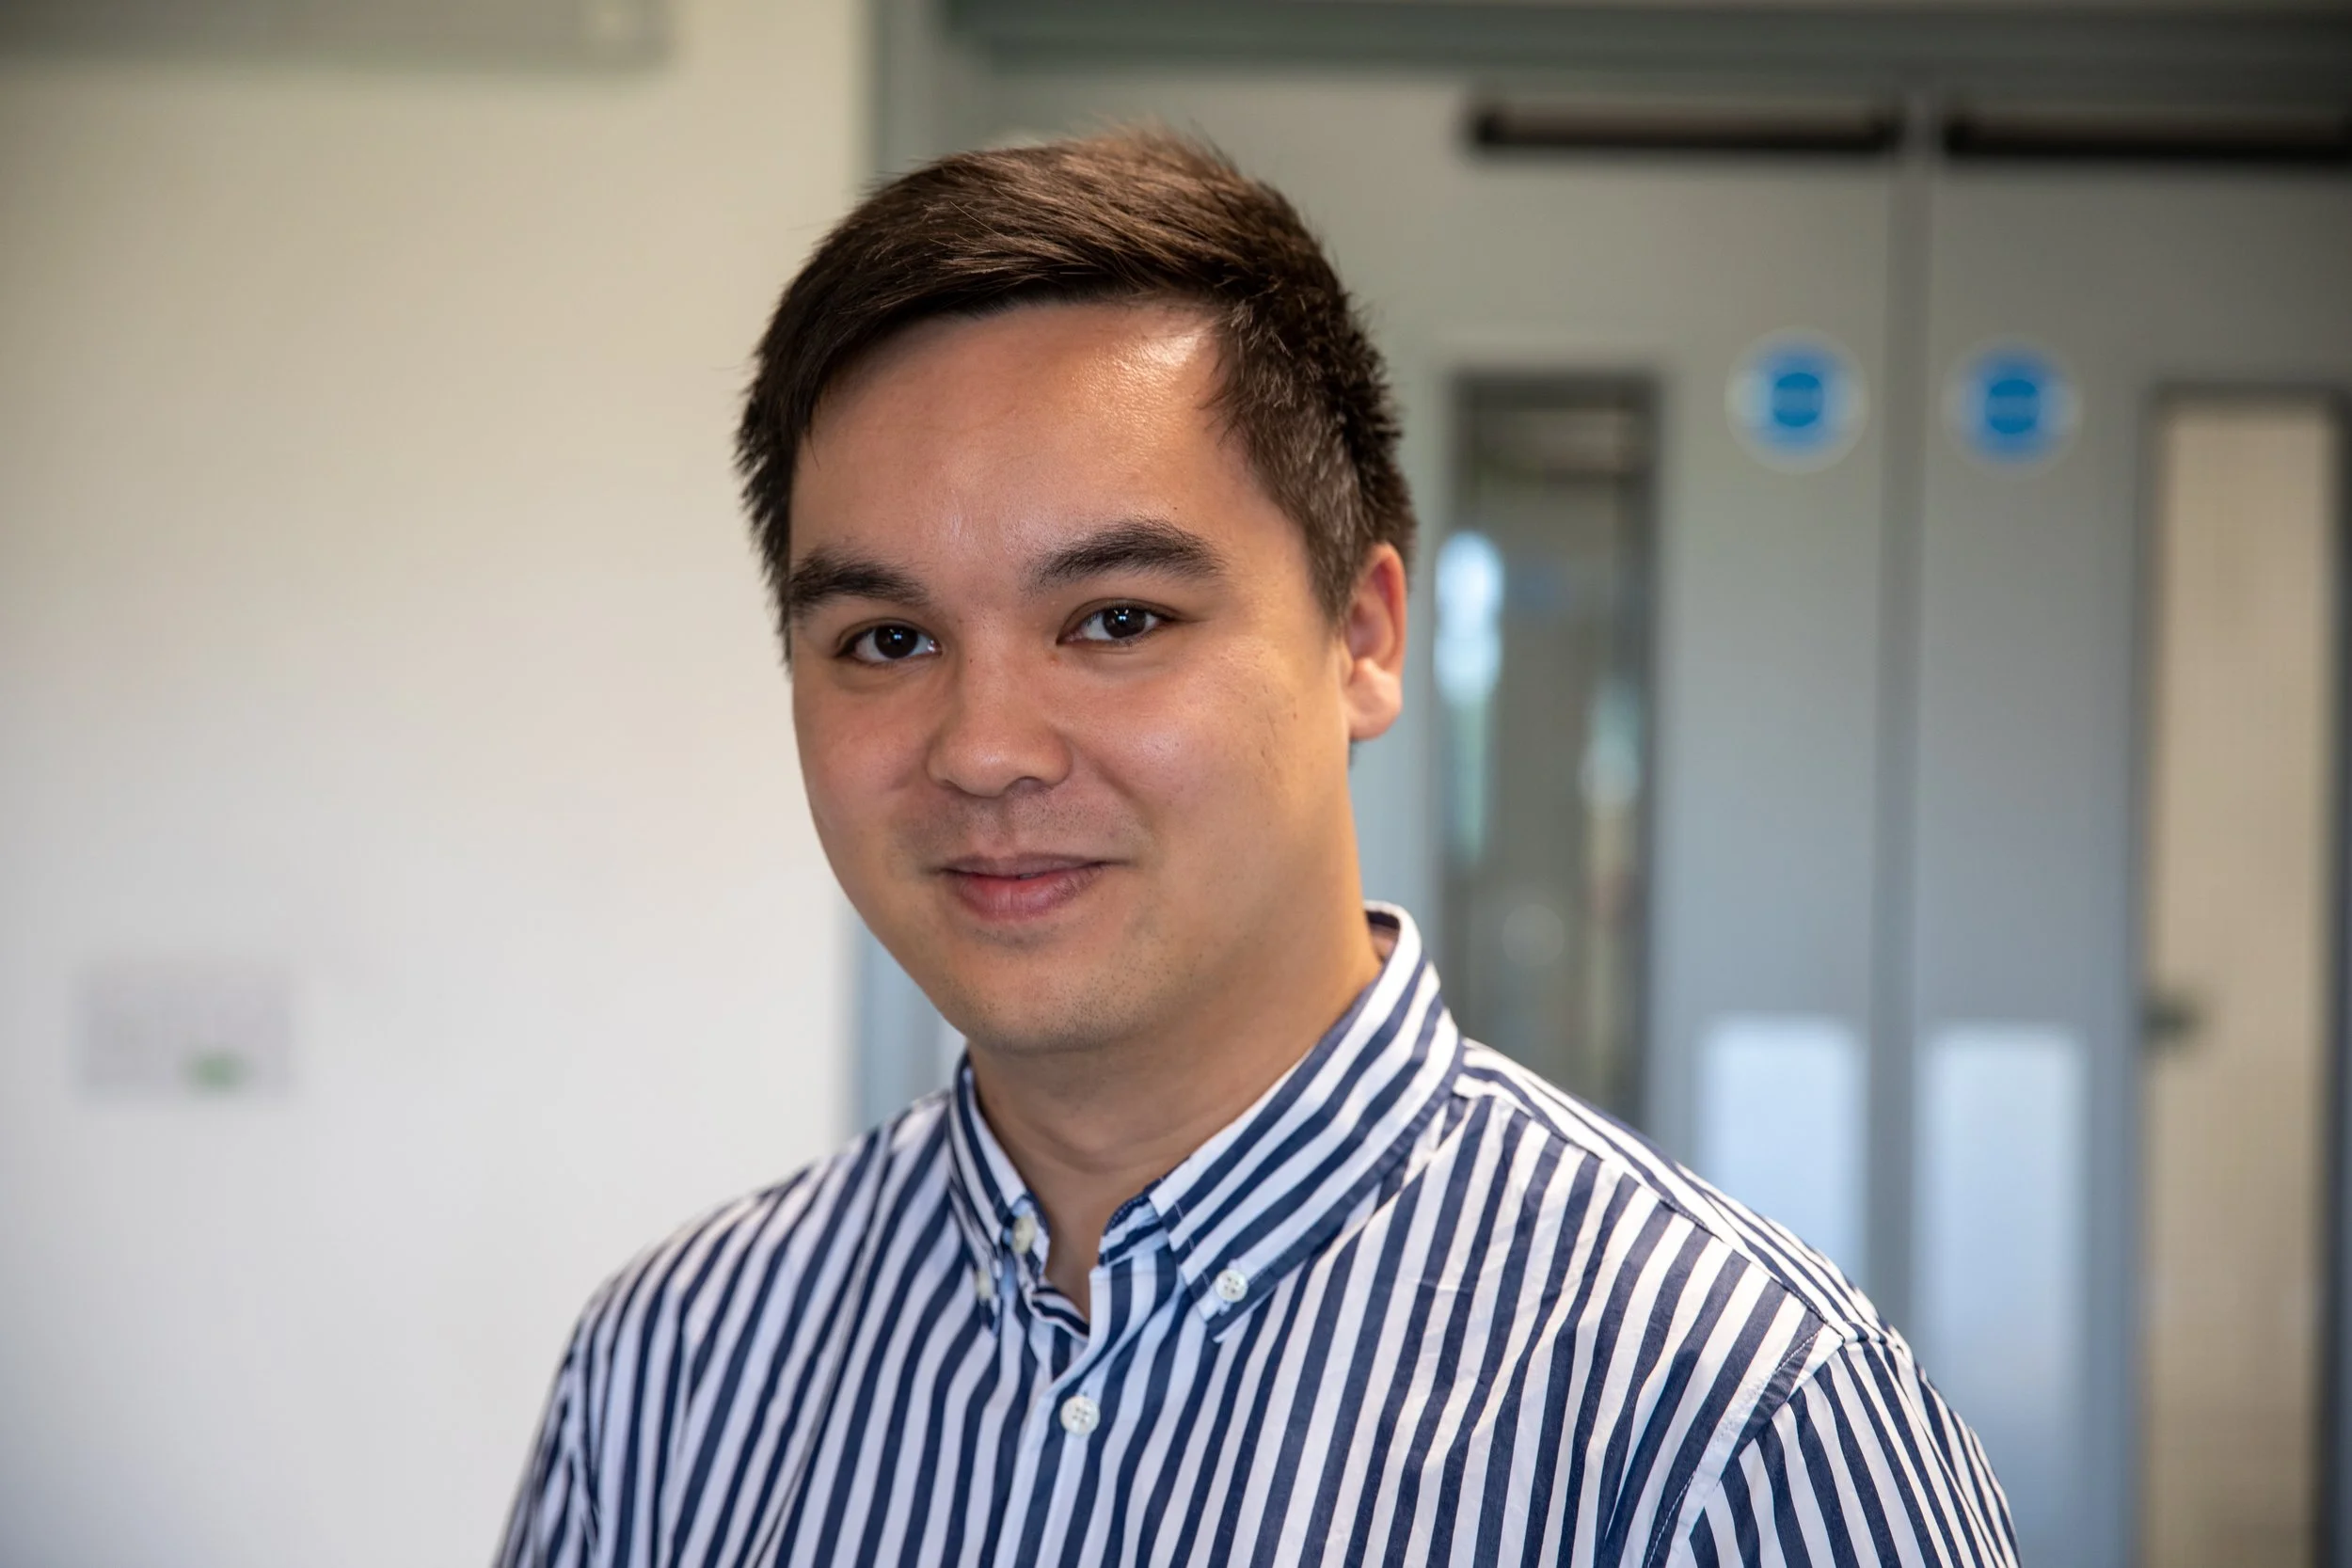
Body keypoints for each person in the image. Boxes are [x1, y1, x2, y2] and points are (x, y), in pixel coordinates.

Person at [497, 131, 2015, 1568]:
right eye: (887, 638)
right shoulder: (672, 1377)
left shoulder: (1729, 1427)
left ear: (1363, 635)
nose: (984, 748)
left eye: (1116, 619)